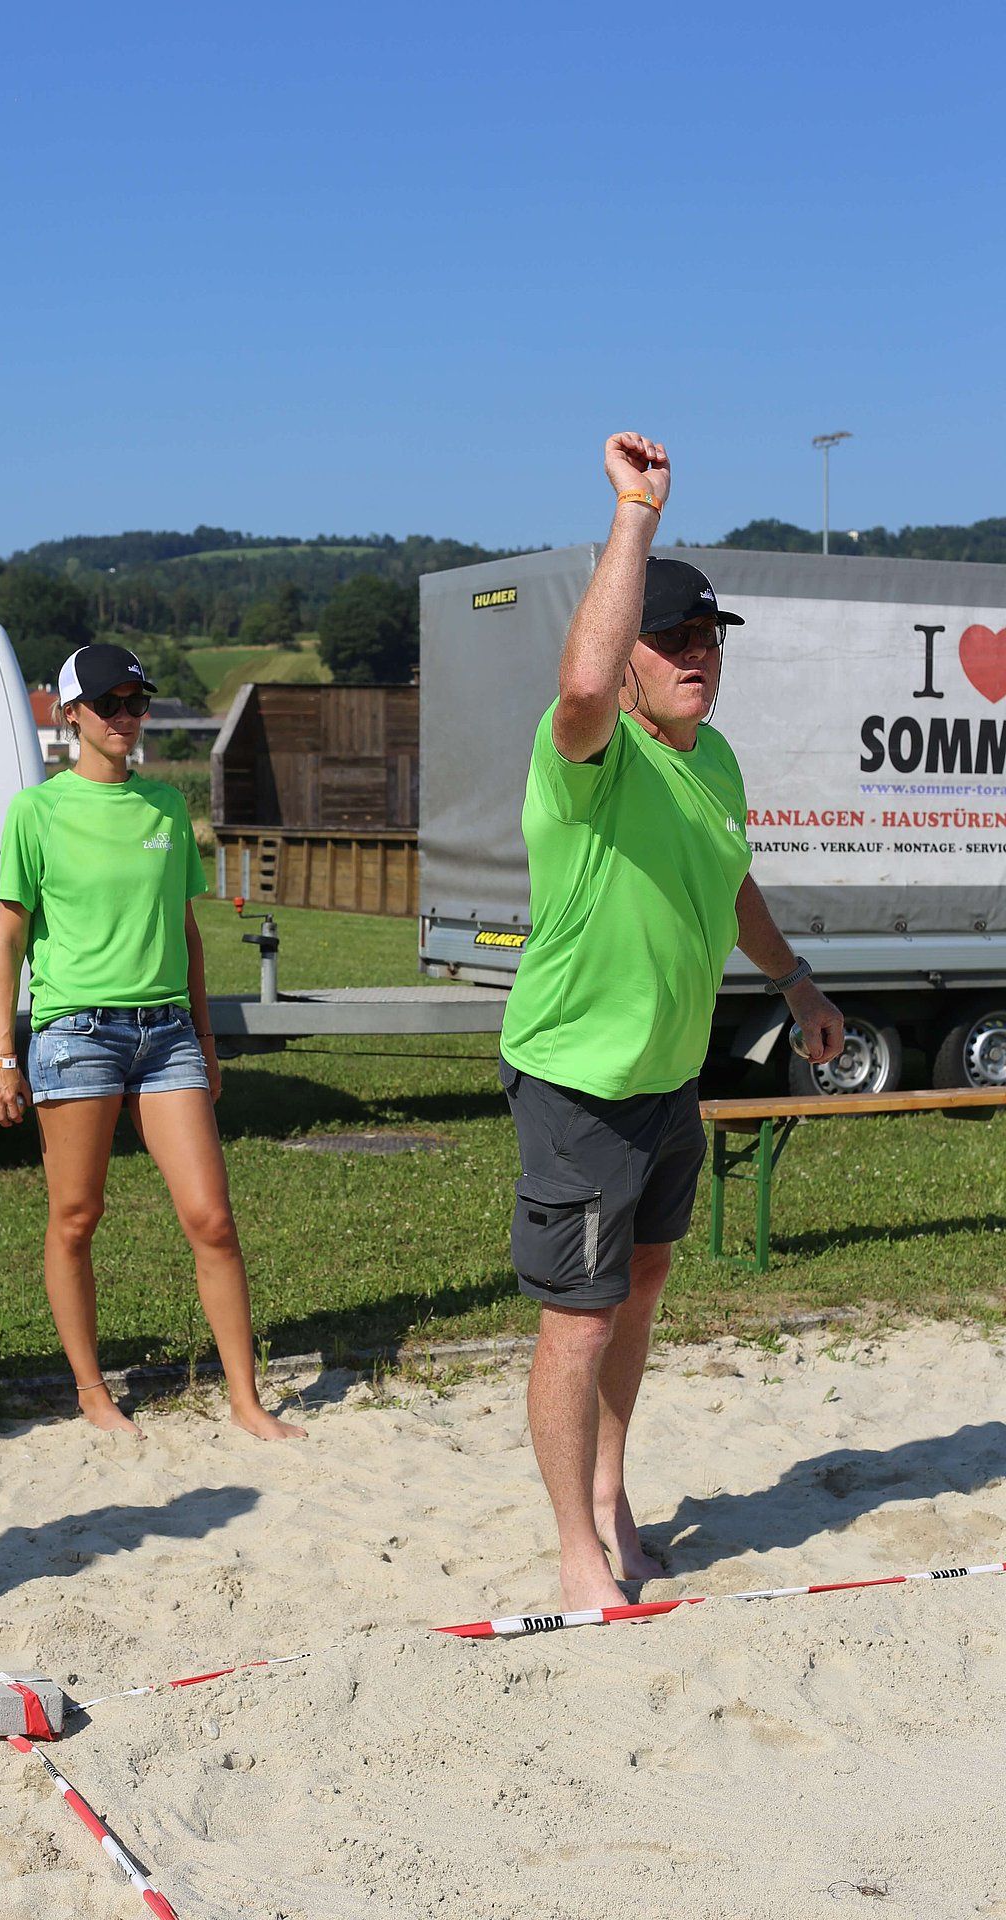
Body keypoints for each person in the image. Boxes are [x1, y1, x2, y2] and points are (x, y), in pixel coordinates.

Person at [498, 433, 844, 1608]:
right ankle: (572, 1546)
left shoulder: (717, 762)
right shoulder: (587, 756)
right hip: (576, 1080)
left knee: (639, 1290)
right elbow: (582, 687)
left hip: (665, 1080)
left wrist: (793, 980)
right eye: (671, 640)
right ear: (632, 661)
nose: (695, 657)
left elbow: (729, 879)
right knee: (578, 1323)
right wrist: (633, 516)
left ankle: (608, 1495)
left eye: (707, 639)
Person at [0, 640, 304, 1441]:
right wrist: (1, 1053)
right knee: (77, 1217)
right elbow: (9, 940)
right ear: (71, 716)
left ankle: (245, 1399)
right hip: (75, 1035)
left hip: (167, 1037)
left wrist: (204, 1036)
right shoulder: (37, 811)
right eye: (110, 704)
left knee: (212, 1219)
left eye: (137, 702)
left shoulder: (165, 808)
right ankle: (92, 1392)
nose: (128, 717)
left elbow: (187, 932)